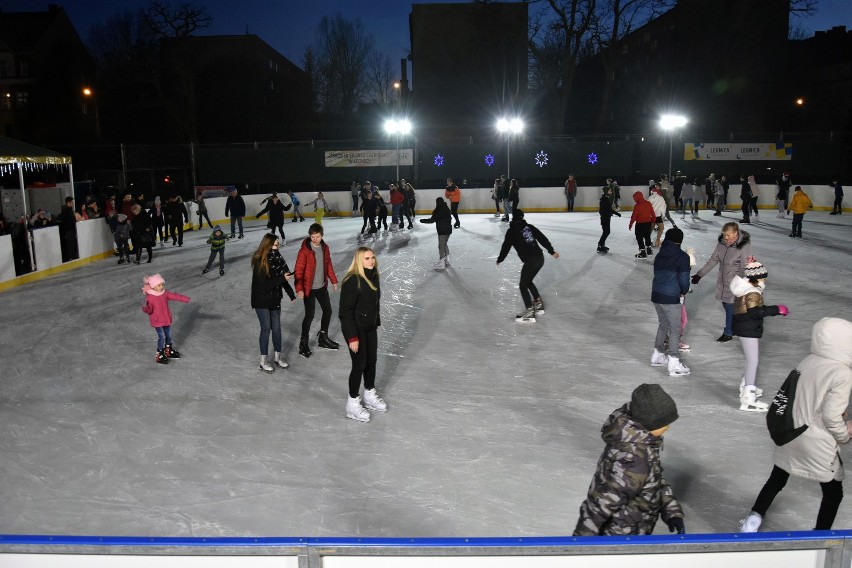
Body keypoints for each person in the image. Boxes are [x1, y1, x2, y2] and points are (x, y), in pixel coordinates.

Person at [739, 317, 852, 533]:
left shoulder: (808, 360)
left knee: (778, 477)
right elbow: (830, 416)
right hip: (815, 439)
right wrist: (843, 435)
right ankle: (820, 537)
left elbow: (803, 398)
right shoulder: (842, 372)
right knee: (833, 492)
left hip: (789, 432)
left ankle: (754, 518)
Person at [573, 383, 685, 536]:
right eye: (663, 424)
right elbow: (602, 503)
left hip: (633, 530)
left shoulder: (642, 444)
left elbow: (654, 479)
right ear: (648, 423)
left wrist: (672, 512)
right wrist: (580, 542)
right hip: (621, 538)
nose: (667, 428)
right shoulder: (634, 459)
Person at [730, 259, 788, 411]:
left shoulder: (744, 288)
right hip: (748, 328)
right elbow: (755, 312)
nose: (764, 279)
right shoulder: (752, 292)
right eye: (762, 277)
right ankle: (748, 397)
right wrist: (776, 309)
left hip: (743, 326)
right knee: (753, 361)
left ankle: (746, 385)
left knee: (751, 359)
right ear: (756, 278)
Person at [339, 246, 386, 422]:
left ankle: (369, 394)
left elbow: (374, 304)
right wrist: (352, 337)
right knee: (359, 364)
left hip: (369, 326)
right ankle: (352, 404)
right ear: (359, 260)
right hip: (355, 329)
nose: (371, 261)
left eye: (372, 257)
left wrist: (375, 322)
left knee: (371, 362)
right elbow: (345, 312)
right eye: (366, 258)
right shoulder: (353, 280)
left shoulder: (373, 275)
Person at [691, 222, 753, 342]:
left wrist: (745, 284)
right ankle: (735, 326)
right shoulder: (721, 244)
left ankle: (728, 332)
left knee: (730, 306)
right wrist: (700, 274)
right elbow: (713, 260)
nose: (726, 238)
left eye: (728, 235)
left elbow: (746, 267)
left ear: (735, 233)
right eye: (724, 235)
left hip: (736, 283)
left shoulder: (744, 246)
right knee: (727, 305)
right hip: (722, 280)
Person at [496, 209, 560, 323]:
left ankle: (529, 312)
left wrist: (500, 259)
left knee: (523, 285)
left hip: (531, 261)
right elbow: (542, 238)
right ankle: (538, 303)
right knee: (528, 280)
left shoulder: (511, 231)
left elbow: (506, 247)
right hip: (540, 258)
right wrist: (551, 251)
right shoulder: (529, 227)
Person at [251, 233, 297, 373]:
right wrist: (282, 279)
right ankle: (263, 361)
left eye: (277, 242)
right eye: (275, 242)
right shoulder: (260, 260)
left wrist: (290, 293)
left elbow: (283, 276)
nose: (277, 244)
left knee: (276, 329)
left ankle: (278, 357)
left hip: (274, 298)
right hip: (261, 299)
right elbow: (264, 284)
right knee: (266, 328)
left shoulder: (278, 258)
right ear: (267, 244)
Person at [650, 228, 692, 377]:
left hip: (657, 295)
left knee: (663, 325)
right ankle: (674, 363)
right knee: (674, 329)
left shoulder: (660, 254)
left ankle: (657, 355)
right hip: (671, 297)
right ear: (680, 240)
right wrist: (684, 291)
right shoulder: (682, 257)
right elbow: (684, 279)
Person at [294, 223, 339, 358]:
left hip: (321, 286)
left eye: (317, 237)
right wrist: (299, 289)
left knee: (328, 311)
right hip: (309, 289)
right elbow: (298, 271)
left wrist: (334, 280)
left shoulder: (325, 248)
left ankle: (323, 338)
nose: (315, 239)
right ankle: (303, 343)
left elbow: (328, 264)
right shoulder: (304, 251)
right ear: (310, 236)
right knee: (310, 315)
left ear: (322, 236)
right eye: (312, 237)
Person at [140, 273, 190, 364]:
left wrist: (185, 299)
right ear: (153, 286)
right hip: (157, 321)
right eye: (159, 285)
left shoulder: (165, 293)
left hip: (166, 319)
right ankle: (159, 354)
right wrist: (145, 307)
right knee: (161, 337)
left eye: (162, 284)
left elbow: (175, 296)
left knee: (168, 336)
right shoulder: (150, 298)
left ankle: (168, 350)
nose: (162, 286)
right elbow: (149, 311)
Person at [419, 197, 453, 269]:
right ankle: (447, 260)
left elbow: (432, 220)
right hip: (448, 230)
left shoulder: (437, 210)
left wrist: (422, 220)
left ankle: (442, 262)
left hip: (442, 230)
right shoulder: (447, 209)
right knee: (444, 244)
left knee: (441, 246)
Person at [628, 191, 656, 259]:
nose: (634, 199)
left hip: (640, 225)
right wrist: (653, 220)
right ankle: (649, 250)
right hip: (648, 223)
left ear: (637, 197)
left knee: (639, 238)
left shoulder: (637, 206)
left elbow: (633, 216)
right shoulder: (648, 203)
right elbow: (652, 213)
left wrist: (630, 224)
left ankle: (642, 252)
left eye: (634, 198)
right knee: (647, 236)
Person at [596, 185, 621, 254]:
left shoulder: (606, 198)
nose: (611, 191)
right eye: (609, 190)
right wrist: (616, 213)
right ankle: (600, 245)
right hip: (605, 219)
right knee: (606, 232)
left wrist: (615, 213)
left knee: (606, 232)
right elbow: (602, 210)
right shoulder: (604, 199)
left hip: (606, 218)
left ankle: (602, 245)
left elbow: (608, 209)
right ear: (606, 191)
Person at [57, 196, 79, 262]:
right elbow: (69, 220)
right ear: (68, 202)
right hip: (69, 229)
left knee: (72, 243)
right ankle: (71, 256)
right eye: (72, 202)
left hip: (71, 229)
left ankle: (72, 256)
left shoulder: (69, 210)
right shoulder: (66, 210)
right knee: (70, 243)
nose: (73, 203)